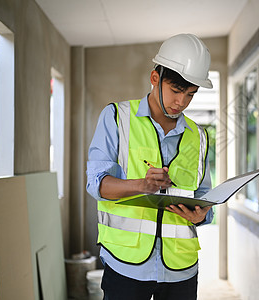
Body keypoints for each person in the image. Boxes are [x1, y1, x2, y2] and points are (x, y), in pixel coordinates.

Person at [86, 33, 214, 300]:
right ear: (155, 78)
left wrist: (202, 215)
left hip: (181, 268)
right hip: (125, 264)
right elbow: (96, 183)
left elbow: (204, 196)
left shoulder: (198, 136)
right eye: (176, 90)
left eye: (190, 94)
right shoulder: (116, 117)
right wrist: (141, 185)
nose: (182, 102)